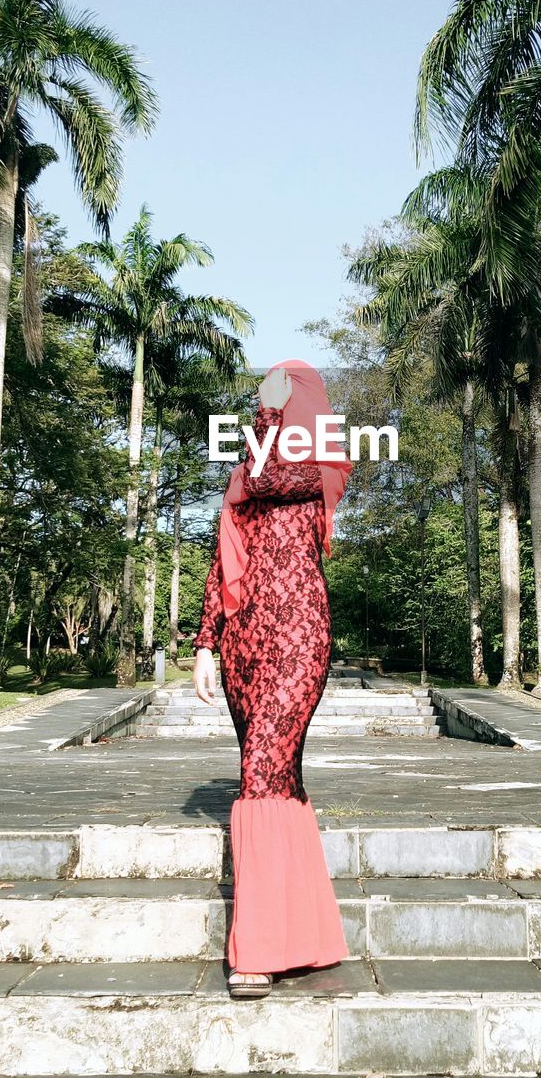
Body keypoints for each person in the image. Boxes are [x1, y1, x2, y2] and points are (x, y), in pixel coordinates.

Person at [192, 359, 352, 998]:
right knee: (280, 779)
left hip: (299, 636)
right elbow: (220, 563)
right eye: (265, 389)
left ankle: (256, 950)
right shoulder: (241, 480)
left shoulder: (324, 466)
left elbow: (272, 474)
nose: (267, 393)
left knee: (258, 772)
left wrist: (271, 412)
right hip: (243, 642)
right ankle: (308, 933)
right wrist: (206, 644)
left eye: (281, 388)